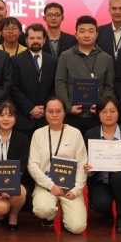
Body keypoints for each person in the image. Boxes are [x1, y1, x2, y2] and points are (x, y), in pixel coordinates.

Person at [27, 97, 88, 234]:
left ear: (64, 113)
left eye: (58, 111)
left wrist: (76, 190)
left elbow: (82, 164)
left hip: (70, 187)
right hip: (46, 185)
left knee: (77, 228)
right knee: (42, 209)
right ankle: (50, 216)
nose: (54, 115)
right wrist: (50, 185)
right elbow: (32, 166)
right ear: (45, 113)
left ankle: (67, 215)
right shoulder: (38, 134)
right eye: (50, 111)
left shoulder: (75, 133)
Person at [83, 96, 121, 233]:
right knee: (101, 204)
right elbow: (86, 166)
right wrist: (88, 169)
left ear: (119, 113)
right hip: (100, 180)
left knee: (119, 177)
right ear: (98, 114)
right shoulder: (90, 134)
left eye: (112, 111)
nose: (108, 115)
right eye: (104, 111)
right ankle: (107, 211)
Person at [55, 15, 115, 135]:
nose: (86, 35)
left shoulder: (106, 58)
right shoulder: (65, 56)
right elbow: (60, 83)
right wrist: (68, 107)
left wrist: (100, 106)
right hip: (72, 115)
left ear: (97, 35)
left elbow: (109, 86)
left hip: (97, 117)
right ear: (76, 34)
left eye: (91, 31)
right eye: (82, 31)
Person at [0, 101, 30, 231]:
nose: (6, 119)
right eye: (2, 115)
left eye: (10, 115)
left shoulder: (23, 139)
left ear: (15, 119)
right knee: (0, 208)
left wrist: (10, 185)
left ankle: (13, 215)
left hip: (15, 184)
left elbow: (23, 166)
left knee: (20, 191)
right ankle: (1, 214)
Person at [10, 23, 58, 138]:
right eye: (32, 38)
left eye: (39, 38)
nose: (35, 41)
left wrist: (46, 108)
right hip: (24, 119)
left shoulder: (54, 61)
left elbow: (56, 87)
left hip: (47, 118)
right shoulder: (16, 61)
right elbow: (13, 88)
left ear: (44, 40)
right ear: (26, 40)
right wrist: (30, 108)